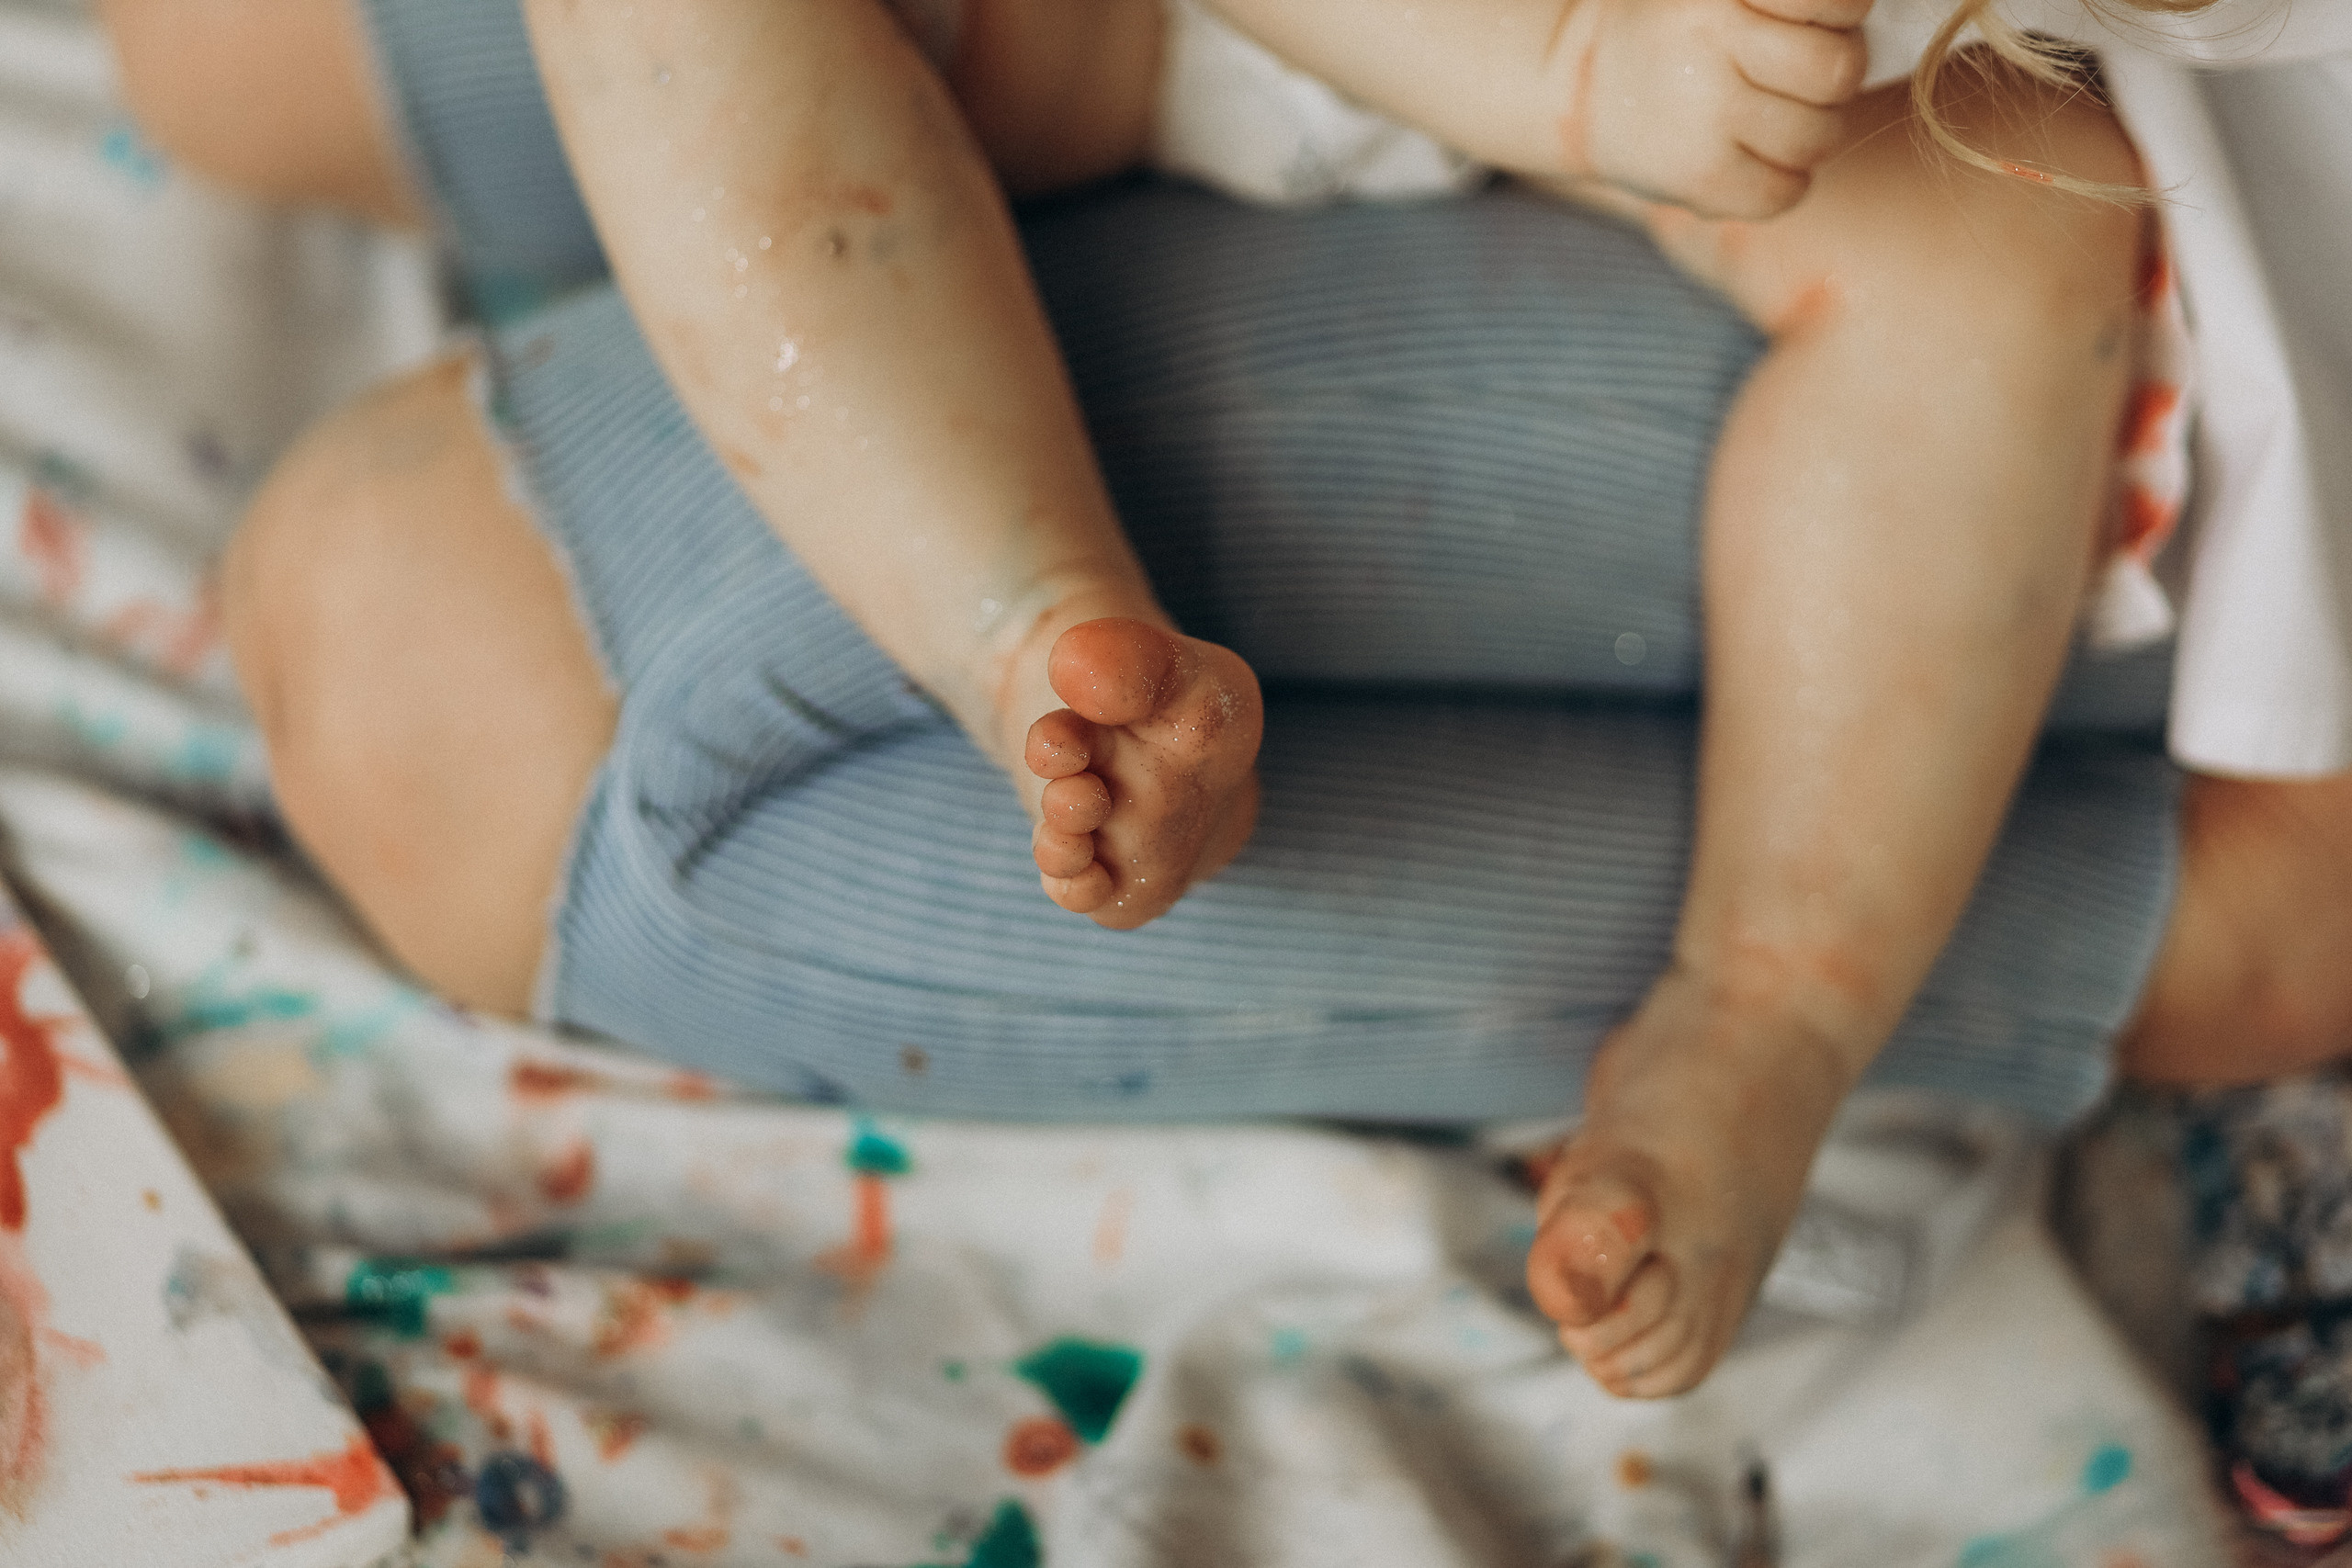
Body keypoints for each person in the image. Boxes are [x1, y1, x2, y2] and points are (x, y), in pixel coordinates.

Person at [96, 0, 2347, 1413]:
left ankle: (1770, 991)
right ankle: (1025, 611)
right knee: (239, 41)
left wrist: (1568, 67)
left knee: (1988, 220)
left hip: (1949, 112)